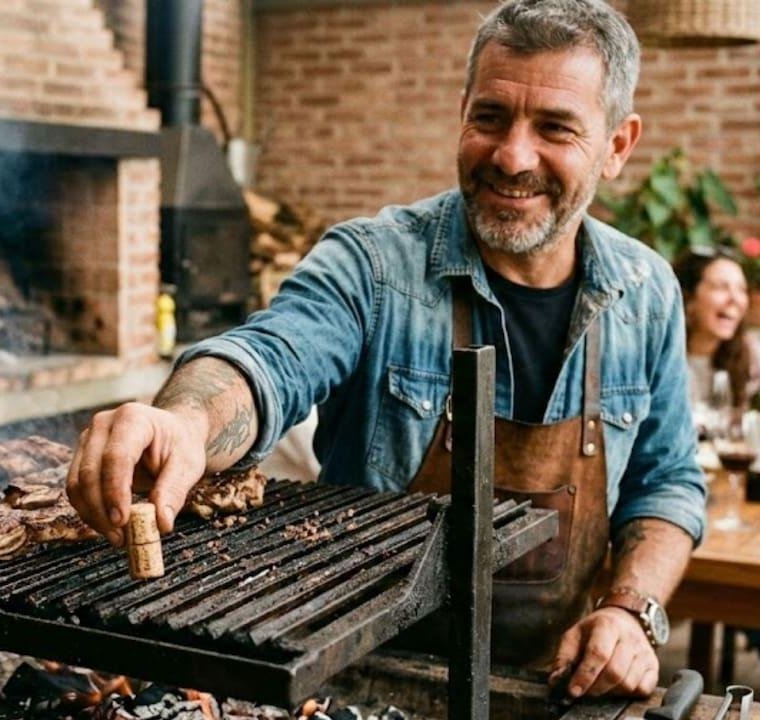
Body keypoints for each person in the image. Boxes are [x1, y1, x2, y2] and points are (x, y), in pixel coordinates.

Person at [67, 0, 704, 700]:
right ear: (462, 112)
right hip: (356, 685)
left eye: (555, 128)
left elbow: (666, 481)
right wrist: (186, 423)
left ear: (617, 146)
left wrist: (630, 610)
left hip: (554, 685)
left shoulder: (646, 293)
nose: (512, 156)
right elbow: (271, 359)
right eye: (490, 117)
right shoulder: (373, 266)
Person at [672, 247, 756, 410]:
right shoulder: (658, 364)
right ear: (688, 298)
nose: (735, 299)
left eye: (742, 289)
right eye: (720, 287)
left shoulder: (749, 362)